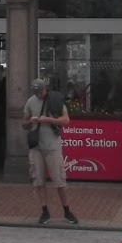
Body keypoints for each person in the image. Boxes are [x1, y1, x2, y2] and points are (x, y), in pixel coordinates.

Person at [24, 79, 78, 225]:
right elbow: (24, 123)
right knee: (38, 180)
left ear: (45, 89)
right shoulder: (30, 102)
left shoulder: (55, 100)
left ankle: (66, 210)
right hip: (36, 146)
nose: (39, 95)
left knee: (59, 180)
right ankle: (44, 210)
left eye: (40, 92)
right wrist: (31, 121)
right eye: (36, 92)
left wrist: (48, 120)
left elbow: (66, 120)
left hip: (52, 146)